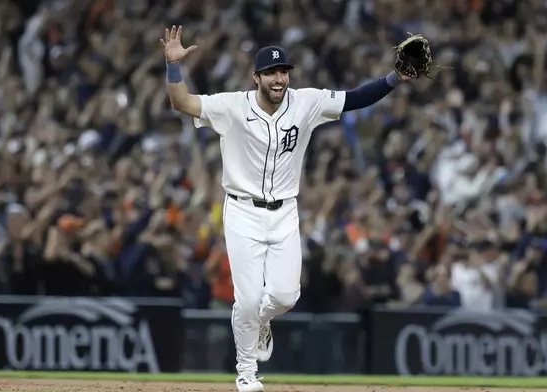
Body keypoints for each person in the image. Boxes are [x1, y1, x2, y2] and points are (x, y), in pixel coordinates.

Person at [161, 25, 411, 392]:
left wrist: (394, 78)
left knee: (284, 296)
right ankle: (246, 372)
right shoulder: (232, 106)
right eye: (272, 73)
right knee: (245, 299)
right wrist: (173, 67)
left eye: (284, 72)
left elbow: (355, 97)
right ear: (257, 77)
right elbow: (182, 103)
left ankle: (263, 320)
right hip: (242, 211)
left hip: (285, 213)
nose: (280, 78)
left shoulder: (306, 101)